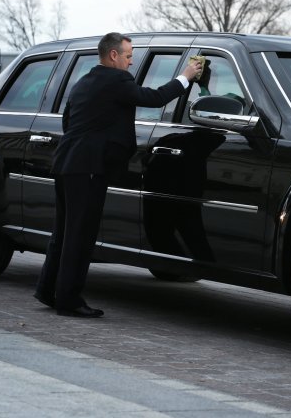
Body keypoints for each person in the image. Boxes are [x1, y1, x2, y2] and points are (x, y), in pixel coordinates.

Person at [34, 32, 202, 318]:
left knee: (63, 232)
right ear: (113, 55)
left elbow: (68, 121)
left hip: (66, 164)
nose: (131, 61)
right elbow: (156, 97)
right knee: (80, 235)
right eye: (128, 55)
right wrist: (185, 76)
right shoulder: (116, 81)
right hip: (88, 168)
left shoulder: (83, 82)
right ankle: (69, 300)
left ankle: (49, 291)